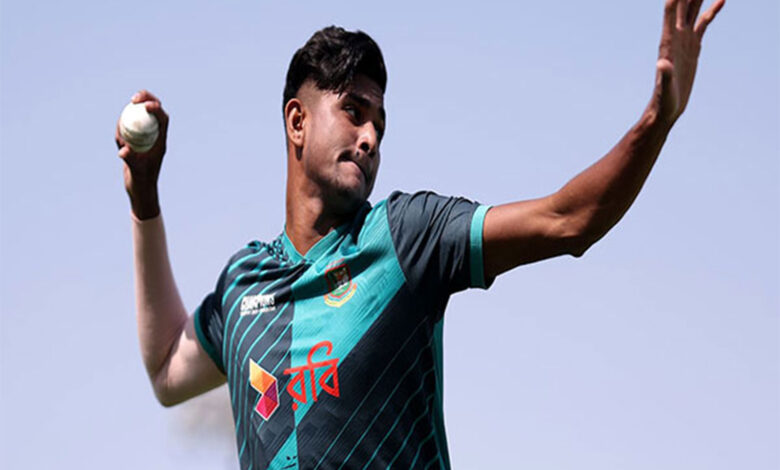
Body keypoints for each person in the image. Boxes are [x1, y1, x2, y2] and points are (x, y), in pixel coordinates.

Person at [115, 1, 724, 468]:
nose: (370, 137)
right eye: (353, 111)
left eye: (380, 125)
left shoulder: (406, 236)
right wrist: (145, 199)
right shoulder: (245, 283)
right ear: (297, 122)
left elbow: (568, 220)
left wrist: (656, 121)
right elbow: (167, 369)